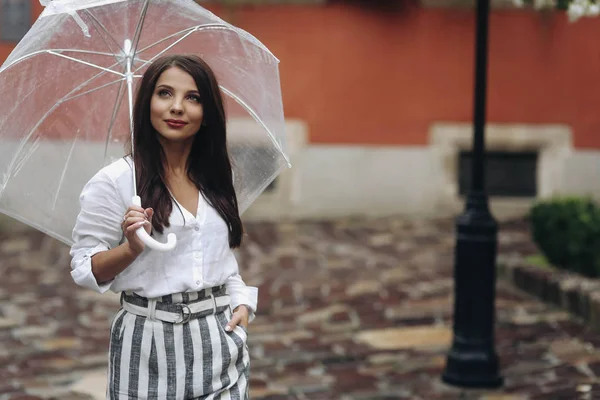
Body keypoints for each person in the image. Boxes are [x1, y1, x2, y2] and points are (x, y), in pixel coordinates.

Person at [69, 54, 256, 399]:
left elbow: (221, 261)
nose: (178, 107)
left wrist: (242, 303)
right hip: (148, 343)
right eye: (165, 93)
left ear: (207, 113)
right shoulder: (116, 181)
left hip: (218, 342)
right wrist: (131, 248)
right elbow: (84, 268)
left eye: (193, 97)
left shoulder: (217, 178)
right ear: (147, 103)